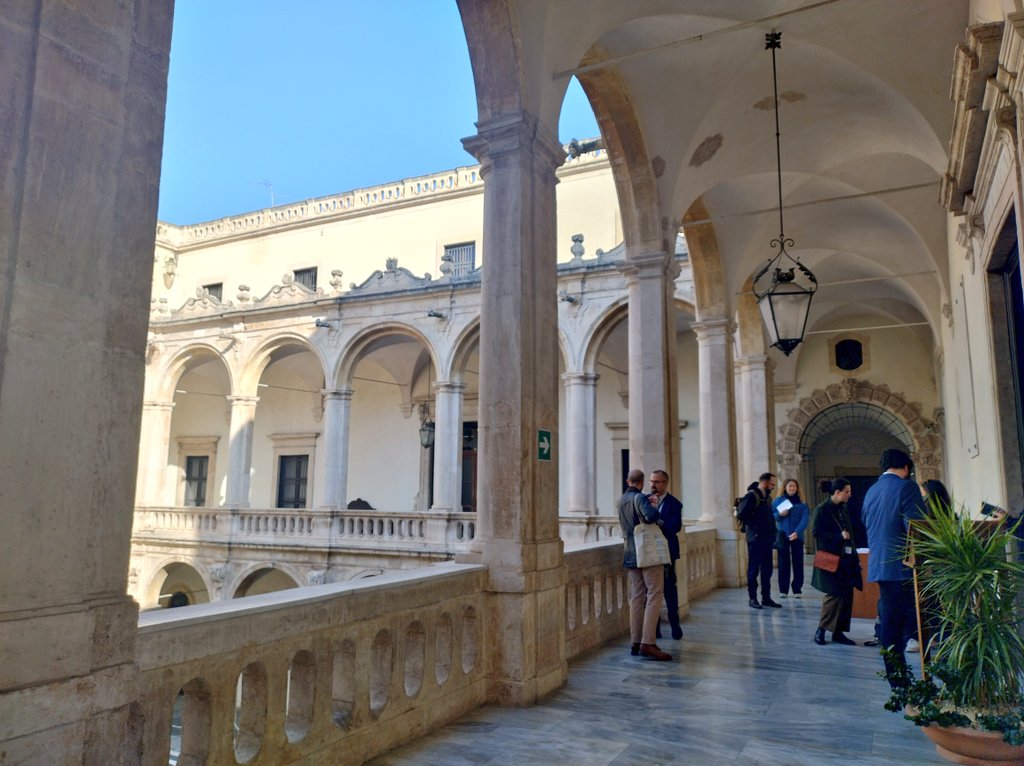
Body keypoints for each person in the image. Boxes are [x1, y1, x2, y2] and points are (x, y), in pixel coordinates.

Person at [861, 448, 926, 685]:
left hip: (880, 564)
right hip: (904, 565)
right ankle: (907, 679)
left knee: (890, 621)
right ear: (906, 468)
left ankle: (896, 677)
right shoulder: (906, 487)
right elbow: (917, 527)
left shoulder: (871, 491)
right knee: (911, 622)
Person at [617, 468, 672, 661]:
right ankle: (648, 643)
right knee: (654, 594)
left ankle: (635, 640)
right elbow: (650, 517)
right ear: (641, 482)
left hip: (630, 553)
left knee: (637, 597)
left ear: (627, 481)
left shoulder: (621, 499)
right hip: (647, 553)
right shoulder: (640, 498)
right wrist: (655, 508)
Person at [811, 478, 863, 645]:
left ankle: (838, 632)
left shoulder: (843, 508)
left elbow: (851, 536)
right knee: (832, 595)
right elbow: (816, 532)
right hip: (830, 558)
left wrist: (855, 558)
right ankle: (821, 630)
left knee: (847, 595)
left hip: (846, 559)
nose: (850, 494)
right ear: (837, 492)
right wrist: (837, 537)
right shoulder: (822, 509)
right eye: (847, 491)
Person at [737, 472, 781, 609]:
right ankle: (753, 598)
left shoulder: (767, 497)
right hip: (755, 539)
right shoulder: (752, 496)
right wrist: (755, 527)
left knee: (767, 570)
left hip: (767, 539)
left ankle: (766, 598)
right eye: (772, 484)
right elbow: (741, 514)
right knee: (754, 569)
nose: (773, 487)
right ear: (765, 482)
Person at [649, 469, 684, 641]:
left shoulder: (675, 504)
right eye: (651, 481)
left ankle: (675, 626)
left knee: (670, 590)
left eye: (657, 482)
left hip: (668, 553)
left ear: (665, 483)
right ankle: (654, 630)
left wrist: (657, 523)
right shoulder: (645, 501)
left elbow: (675, 527)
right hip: (650, 553)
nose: (653, 485)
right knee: (652, 592)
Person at [773, 478, 809, 598]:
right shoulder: (778, 501)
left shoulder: (802, 504)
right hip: (782, 535)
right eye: (790, 486)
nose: (792, 488)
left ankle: (797, 589)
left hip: (797, 537)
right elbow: (770, 515)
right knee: (783, 563)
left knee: (798, 563)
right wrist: (779, 514)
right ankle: (783, 589)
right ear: (785, 488)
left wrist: (797, 532)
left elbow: (805, 520)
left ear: (797, 488)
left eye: (794, 486)